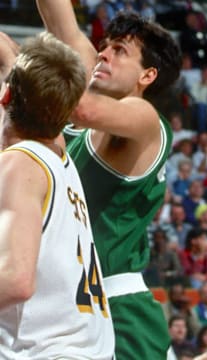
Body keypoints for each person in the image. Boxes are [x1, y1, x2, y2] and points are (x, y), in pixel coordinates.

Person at [36, 1, 182, 359]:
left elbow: (83, 108)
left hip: (118, 307)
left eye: (120, 51)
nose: (103, 55)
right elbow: (59, 16)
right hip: (67, 300)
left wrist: (21, 70)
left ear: (146, 75)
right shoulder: (88, 97)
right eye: (103, 47)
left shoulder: (145, 119)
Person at [0, 32, 114, 359]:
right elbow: (16, 61)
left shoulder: (19, 165)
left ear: (6, 94)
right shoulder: (58, 155)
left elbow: (16, 280)